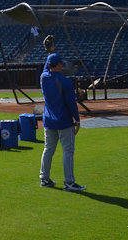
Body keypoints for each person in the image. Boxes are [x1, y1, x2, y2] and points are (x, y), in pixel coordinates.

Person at [39, 53, 85, 191]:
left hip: (48, 120)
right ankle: (69, 182)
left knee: (48, 150)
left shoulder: (43, 78)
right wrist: (77, 119)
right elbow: (71, 103)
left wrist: (48, 52)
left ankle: (44, 178)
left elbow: (45, 71)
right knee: (68, 152)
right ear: (59, 64)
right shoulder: (65, 81)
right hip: (64, 120)